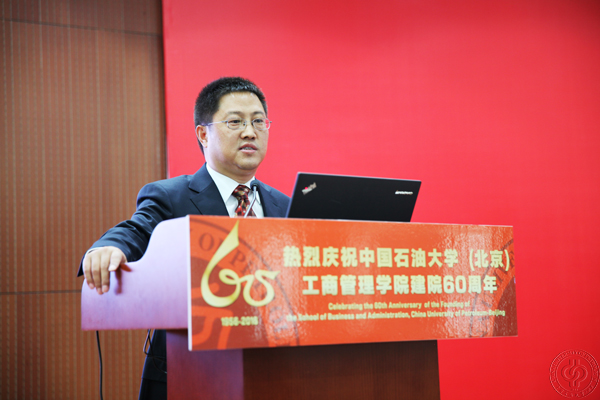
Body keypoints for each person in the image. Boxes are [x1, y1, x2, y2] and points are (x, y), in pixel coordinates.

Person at [77, 77, 290, 399]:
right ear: (203, 134)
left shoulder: (283, 205)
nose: (250, 132)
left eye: (259, 121)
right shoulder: (171, 196)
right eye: (235, 122)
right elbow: (138, 229)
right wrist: (110, 246)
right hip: (190, 371)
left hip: (273, 371)